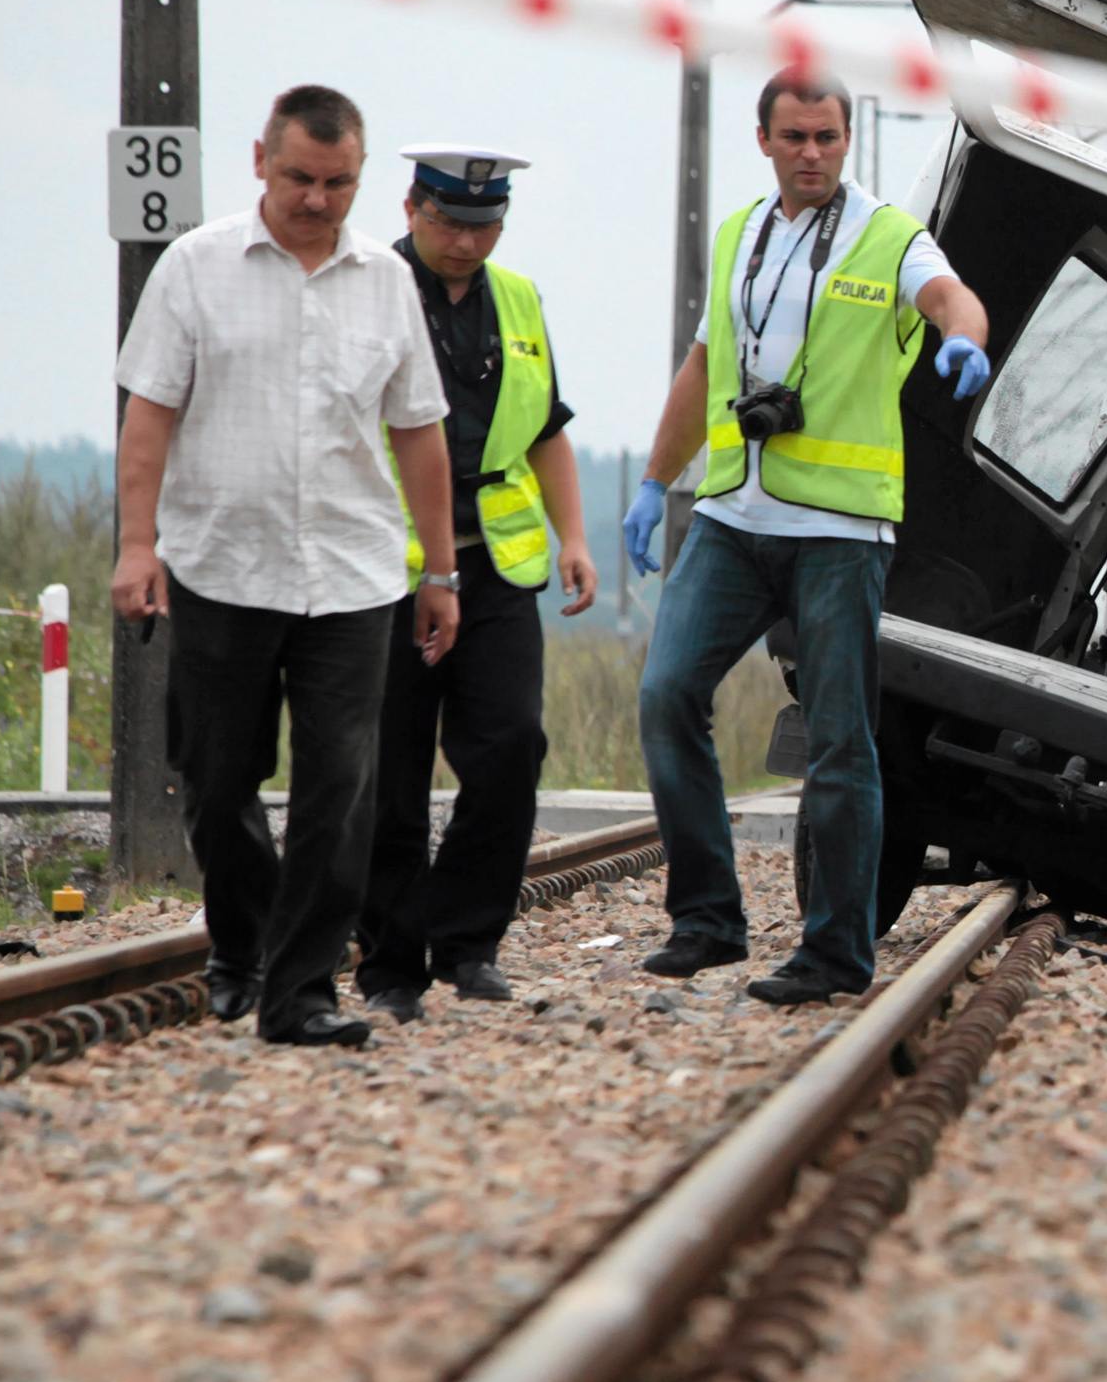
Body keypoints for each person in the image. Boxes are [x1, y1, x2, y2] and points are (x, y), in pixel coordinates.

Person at [622, 72, 992, 1004]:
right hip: (733, 517)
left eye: (828, 136)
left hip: (839, 528)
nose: (813, 153)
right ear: (765, 141)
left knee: (840, 740)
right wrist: (654, 482)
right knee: (667, 694)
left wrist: (964, 339)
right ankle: (708, 918)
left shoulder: (888, 236)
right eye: (795, 137)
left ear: (846, 139)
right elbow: (704, 363)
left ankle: (835, 952)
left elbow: (951, 297)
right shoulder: (739, 236)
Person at [111, 84, 460, 1048]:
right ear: (260, 160)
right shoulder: (195, 267)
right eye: (301, 177)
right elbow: (149, 415)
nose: (316, 199)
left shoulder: (386, 281)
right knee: (217, 780)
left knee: (338, 791)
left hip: (352, 576)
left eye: (338, 183)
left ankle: (302, 991)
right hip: (222, 567)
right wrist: (137, 545)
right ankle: (243, 946)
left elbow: (419, 431)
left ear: (361, 176)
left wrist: (440, 572)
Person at [353, 147, 598, 1022]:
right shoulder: (366, 290)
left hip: (496, 563)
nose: (466, 241)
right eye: (450, 222)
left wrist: (573, 537)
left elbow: (545, 430)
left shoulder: (518, 298)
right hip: (384, 569)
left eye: (485, 226)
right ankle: (390, 963)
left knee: (510, 748)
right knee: (390, 770)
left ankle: (465, 940)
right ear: (412, 207)